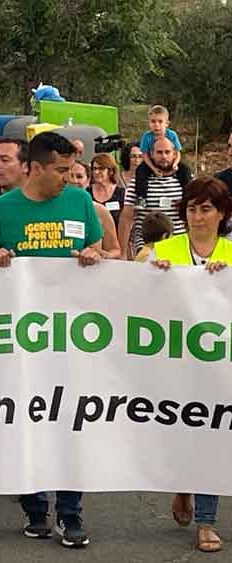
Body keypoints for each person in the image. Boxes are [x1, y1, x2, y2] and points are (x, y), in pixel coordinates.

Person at [0, 132, 102, 549]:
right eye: (62, 171)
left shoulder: (80, 203)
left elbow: (100, 248)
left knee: (70, 424)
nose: (70, 179)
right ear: (34, 168)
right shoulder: (1, 209)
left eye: (72, 170)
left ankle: (70, 513)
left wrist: (94, 256)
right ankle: (35, 509)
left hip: (71, 338)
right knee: (26, 425)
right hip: (20, 342)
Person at [150, 178, 232, 554]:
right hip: (173, 363)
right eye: (191, 209)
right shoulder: (164, 250)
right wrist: (154, 275)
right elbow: (133, 296)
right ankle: (183, 484)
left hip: (217, 366)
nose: (198, 217)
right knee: (181, 435)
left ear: (222, 213)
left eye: (206, 209)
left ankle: (206, 521)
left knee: (211, 436)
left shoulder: (231, 255)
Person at [118, 137, 192, 259]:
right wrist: (122, 253)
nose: (164, 156)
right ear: (151, 154)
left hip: (179, 246)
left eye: (167, 152)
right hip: (147, 249)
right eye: (159, 152)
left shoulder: (187, 179)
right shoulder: (138, 182)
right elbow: (126, 218)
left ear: (174, 154)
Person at [70, 161, 121, 258]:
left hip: (93, 270)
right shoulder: (52, 208)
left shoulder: (100, 211)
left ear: (88, 180)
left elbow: (115, 249)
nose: (74, 181)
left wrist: (103, 256)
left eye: (79, 176)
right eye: (70, 176)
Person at [140, 105, 182, 175]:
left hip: (170, 161)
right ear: (149, 123)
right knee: (140, 170)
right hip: (151, 161)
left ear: (166, 123)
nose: (156, 125)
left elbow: (178, 153)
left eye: (160, 121)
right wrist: (153, 168)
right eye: (153, 121)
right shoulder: (146, 136)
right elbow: (145, 155)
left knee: (185, 169)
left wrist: (175, 164)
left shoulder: (172, 135)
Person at [88, 153, 125, 226]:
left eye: (101, 169)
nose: (96, 172)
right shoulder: (87, 192)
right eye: (94, 169)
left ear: (111, 171)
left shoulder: (121, 193)